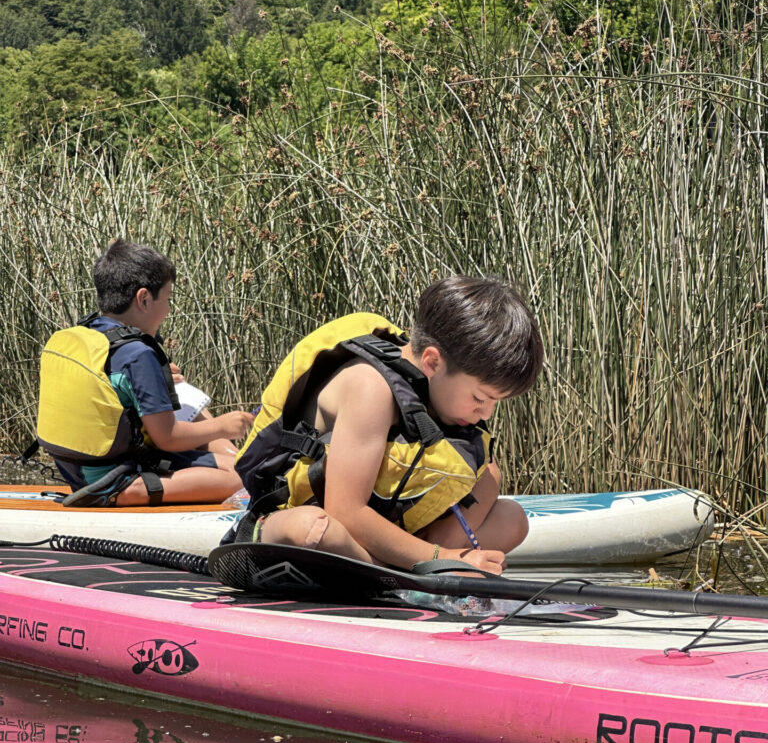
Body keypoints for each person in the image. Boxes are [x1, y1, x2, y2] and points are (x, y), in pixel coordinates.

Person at [231, 275, 543, 575]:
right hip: (316, 523)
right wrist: (443, 558)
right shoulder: (370, 387)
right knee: (314, 529)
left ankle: (403, 566)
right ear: (433, 363)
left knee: (510, 515)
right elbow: (346, 512)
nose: (486, 413)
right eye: (479, 397)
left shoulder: (442, 390)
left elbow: (485, 477)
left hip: (383, 539)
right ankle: (408, 570)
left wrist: (443, 548)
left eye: (495, 402)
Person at [36, 238, 253, 506]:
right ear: (144, 299)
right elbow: (168, 437)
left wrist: (158, 383)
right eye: (168, 298)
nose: (170, 308)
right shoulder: (139, 354)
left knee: (233, 460)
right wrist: (223, 425)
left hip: (78, 472)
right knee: (245, 477)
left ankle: (237, 458)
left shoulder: (93, 334)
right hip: (117, 482)